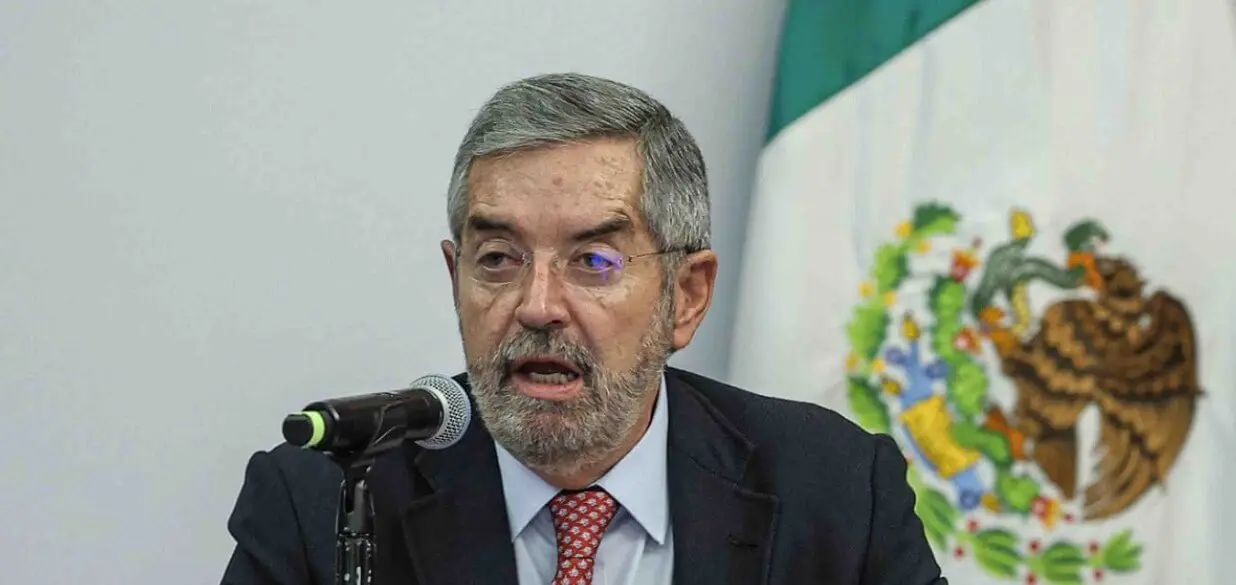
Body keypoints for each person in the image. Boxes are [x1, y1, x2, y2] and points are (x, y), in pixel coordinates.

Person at [221, 72, 946, 585]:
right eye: (498, 258)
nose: (537, 305)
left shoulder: (836, 490)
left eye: (594, 260)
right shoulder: (325, 500)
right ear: (456, 277)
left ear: (686, 296)